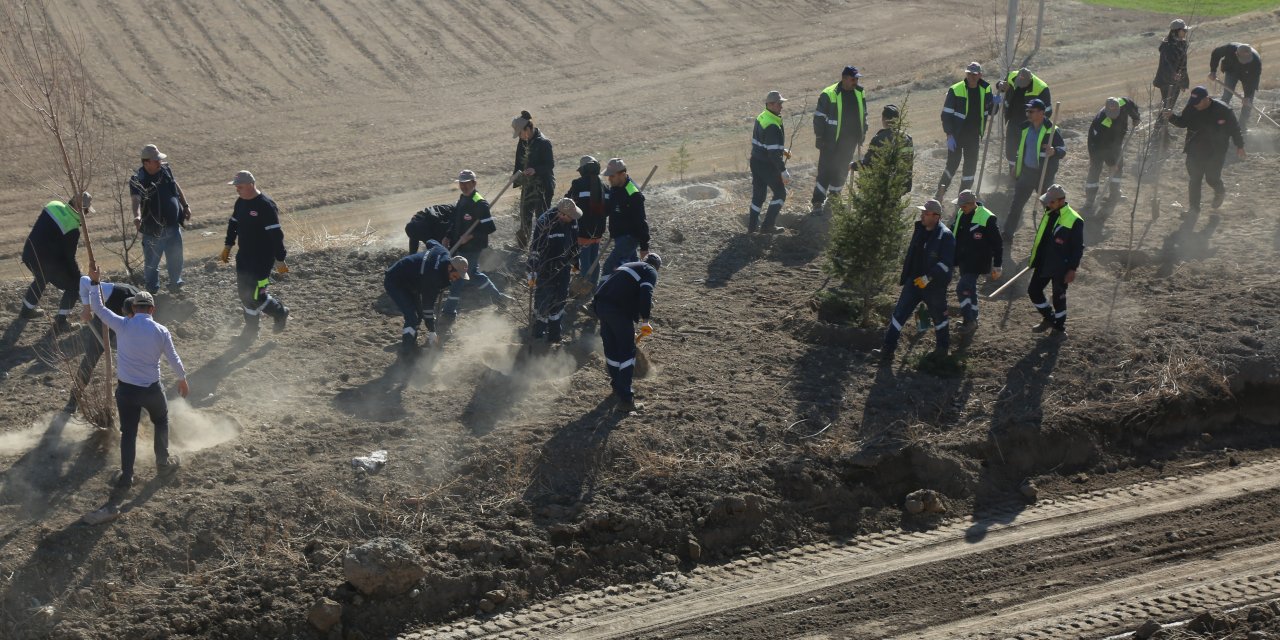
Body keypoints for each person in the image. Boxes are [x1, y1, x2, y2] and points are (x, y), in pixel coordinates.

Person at [86, 267, 189, 498]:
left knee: (128, 433)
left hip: (127, 392)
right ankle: (162, 464)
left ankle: (126, 477)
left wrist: (95, 283)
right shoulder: (161, 331)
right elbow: (173, 358)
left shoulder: (122, 325)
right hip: (152, 390)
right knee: (161, 421)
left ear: (134, 308)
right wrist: (182, 379)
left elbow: (99, 309)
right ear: (152, 309)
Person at [872, 199, 955, 364]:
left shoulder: (945, 236)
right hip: (914, 282)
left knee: (939, 318)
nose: (922, 215)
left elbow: (946, 264)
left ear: (936, 216)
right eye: (922, 212)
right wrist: (908, 276)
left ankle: (942, 352)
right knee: (899, 314)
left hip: (934, 287)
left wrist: (928, 277)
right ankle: (887, 350)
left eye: (925, 213)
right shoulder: (920, 229)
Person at [220, 170, 290, 341]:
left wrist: (280, 259)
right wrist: (228, 245)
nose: (237, 189)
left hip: (263, 261)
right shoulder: (241, 202)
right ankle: (251, 332)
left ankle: (280, 312)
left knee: (258, 294)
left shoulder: (265, 205)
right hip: (244, 257)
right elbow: (233, 224)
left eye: (240, 186)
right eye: (235, 187)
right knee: (244, 294)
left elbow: (276, 234)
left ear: (251, 185)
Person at [440, 169, 512, 330]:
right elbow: (455, 221)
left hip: (473, 247)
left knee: (458, 277)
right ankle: (500, 299)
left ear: (474, 183)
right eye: (461, 183)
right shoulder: (462, 199)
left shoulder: (480, 203)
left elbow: (490, 227)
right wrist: (447, 236)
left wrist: (470, 236)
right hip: (460, 245)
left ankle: (449, 312)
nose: (464, 186)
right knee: (474, 275)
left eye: (467, 183)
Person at [592, 253, 662, 413]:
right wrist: (645, 319)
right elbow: (645, 293)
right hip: (618, 310)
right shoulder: (650, 271)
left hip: (601, 306)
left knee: (612, 350)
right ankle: (626, 399)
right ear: (657, 267)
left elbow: (611, 286)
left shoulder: (629, 266)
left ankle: (617, 385)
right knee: (627, 352)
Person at [1162, 86, 1246, 215]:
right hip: (1194, 149)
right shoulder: (1192, 107)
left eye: (1198, 103)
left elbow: (1235, 129)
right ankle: (1194, 209)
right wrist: (1172, 117)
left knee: (1211, 178)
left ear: (1206, 99)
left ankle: (1219, 191)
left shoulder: (1223, 110)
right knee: (1195, 179)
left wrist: (1239, 146)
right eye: (1193, 103)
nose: (1195, 106)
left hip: (1216, 150)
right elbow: (1183, 122)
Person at [19, 193, 89, 333]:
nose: (86, 214)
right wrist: (78, 276)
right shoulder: (72, 228)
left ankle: (26, 311)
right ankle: (60, 323)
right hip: (47, 263)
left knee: (41, 278)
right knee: (74, 285)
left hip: (29, 254)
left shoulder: (53, 205)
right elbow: (69, 257)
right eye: (86, 210)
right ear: (79, 208)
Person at [383, 242, 468, 355]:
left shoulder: (443, 251)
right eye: (456, 276)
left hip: (412, 282)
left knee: (418, 316)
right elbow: (427, 307)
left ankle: (410, 339)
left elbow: (430, 242)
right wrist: (432, 331)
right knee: (412, 317)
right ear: (449, 267)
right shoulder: (434, 278)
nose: (456, 279)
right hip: (395, 281)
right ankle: (406, 352)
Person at [130, 144, 191, 295]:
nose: (159, 162)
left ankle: (176, 285)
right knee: (151, 263)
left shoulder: (165, 170)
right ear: (146, 163)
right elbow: (135, 199)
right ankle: (152, 292)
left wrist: (185, 205)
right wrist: (137, 216)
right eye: (155, 160)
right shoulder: (138, 179)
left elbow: (175, 187)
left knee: (176, 258)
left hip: (173, 226)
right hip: (153, 230)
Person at [1027, 185, 1084, 340]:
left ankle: (1059, 329)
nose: (1048, 204)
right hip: (1043, 261)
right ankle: (1049, 318)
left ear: (1062, 200)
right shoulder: (1049, 213)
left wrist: (1072, 269)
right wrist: (1034, 257)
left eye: (1051, 202)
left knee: (1058, 296)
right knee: (1033, 291)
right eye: (1047, 201)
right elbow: (1042, 238)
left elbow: (1078, 248)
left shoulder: (1075, 220)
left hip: (1062, 266)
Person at [1005, 99, 1066, 240]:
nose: (1028, 113)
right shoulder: (1026, 128)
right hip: (1026, 173)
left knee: (1051, 207)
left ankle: (1054, 235)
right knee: (1016, 205)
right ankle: (1008, 233)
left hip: (1044, 175)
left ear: (1041, 113)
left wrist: (1054, 151)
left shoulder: (1052, 130)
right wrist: (1016, 166)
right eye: (1027, 111)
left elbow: (1063, 150)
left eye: (1031, 111)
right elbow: (1022, 150)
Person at [811, 66, 867, 214]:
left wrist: (863, 133)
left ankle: (834, 198)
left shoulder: (860, 93)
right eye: (853, 79)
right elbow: (819, 117)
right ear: (844, 78)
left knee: (841, 170)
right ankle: (817, 201)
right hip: (830, 140)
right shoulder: (829, 94)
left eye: (857, 79)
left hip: (850, 141)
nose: (856, 82)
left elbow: (864, 115)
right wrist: (819, 136)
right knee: (825, 170)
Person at [936, 62, 994, 200]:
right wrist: (949, 135)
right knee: (952, 165)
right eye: (969, 74)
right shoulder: (956, 89)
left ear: (980, 75)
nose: (971, 77)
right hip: (957, 135)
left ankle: (963, 197)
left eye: (974, 74)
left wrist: (995, 102)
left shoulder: (986, 89)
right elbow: (946, 114)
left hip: (973, 136)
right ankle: (940, 192)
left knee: (970, 168)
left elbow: (991, 111)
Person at [527, 198, 581, 344]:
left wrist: (576, 262)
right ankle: (538, 335)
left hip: (563, 267)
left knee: (560, 301)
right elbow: (535, 248)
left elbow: (574, 243)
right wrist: (532, 270)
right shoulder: (544, 222)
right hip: (545, 268)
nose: (574, 219)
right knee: (543, 302)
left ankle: (554, 336)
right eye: (571, 216)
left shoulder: (573, 220)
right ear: (561, 214)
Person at [952, 190, 1002, 336]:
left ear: (972, 203)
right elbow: (954, 231)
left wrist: (998, 265)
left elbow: (998, 244)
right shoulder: (962, 213)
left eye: (964, 206)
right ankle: (973, 319)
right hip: (963, 260)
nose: (961, 208)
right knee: (970, 290)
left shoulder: (987, 217)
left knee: (962, 288)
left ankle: (969, 320)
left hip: (978, 262)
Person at [76, 273, 139, 387]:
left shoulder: (144, 312)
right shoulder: (105, 292)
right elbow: (84, 280)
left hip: (127, 304)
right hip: (108, 307)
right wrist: (86, 308)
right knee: (93, 351)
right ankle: (77, 392)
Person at [1084, 97, 1142, 210]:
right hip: (1096, 145)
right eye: (1111, 113)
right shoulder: (1102, 121)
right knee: (1096, 168)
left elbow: (1132, 106)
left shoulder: (1123, 103)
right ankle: (1090, 199)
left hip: (1115, 142)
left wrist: (1136, 117)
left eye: (1116, 112)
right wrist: (1111, 163)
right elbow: (1103, 145)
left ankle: (1115, 192)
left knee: (1118, 165)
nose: (1114, 115)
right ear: (1106, 110)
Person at [512, 110, 555, 250]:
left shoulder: (544, 143)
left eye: (520, 132)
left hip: (543, 186)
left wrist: (535, 169)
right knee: (524, 215)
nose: (519, 136)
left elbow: (550, 165)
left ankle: (542, 247)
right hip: (528, 184)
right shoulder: (523, 141)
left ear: (528, 128)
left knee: (541, 217)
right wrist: (516, 177)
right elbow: (519, 162)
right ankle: (522, 246)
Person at [997, 68, 1052, 177]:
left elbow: (1048, 111)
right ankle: (1013, 175)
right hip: (1013, 119)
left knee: (1026, 150)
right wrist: (1000, 85)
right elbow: (1001, 86)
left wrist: (1036, 124)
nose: (1020, 86)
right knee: (1011, 149)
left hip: (1029, 124)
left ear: (1029, 81)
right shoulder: (1012, 76)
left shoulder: (1041, 87)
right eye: (1019, 83)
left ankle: (1025, 176)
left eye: (1023, 84)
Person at [749, 90, 790, 233]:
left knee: (759, 196)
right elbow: (772, 154)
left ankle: (752, 228)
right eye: (779, 104)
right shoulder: (772, 124)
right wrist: (783, 171)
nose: (781, 106)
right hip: (767, 164)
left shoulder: (762, 116)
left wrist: (781, 150)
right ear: (770, 104)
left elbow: (764, 143)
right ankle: (768, 226)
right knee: (780, 193)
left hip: (756, 160)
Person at [601, 158, 651, 273]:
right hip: (619, 237)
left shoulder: (633, 193)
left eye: (612, 176)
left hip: (629, 238)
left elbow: (641, 221)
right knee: (632, 269)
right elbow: (609, 209)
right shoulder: (614, 189)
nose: (609, 179)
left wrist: (644, 246)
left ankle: (602, 290)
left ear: (622, 175)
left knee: (609, 268)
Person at [852, 104, 915, 192]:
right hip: (901, 185)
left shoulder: (879, 138)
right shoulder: (907, 138)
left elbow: (869, 164)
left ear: (884, 119)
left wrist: (854, 165)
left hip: (882, 187)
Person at [567, 155, 607, 286]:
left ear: (583, 170)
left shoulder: (577, 184)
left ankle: (584, 285)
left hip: (583, 228)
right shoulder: (604, 186)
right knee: (594, 258)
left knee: (584, 258)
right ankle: (594, 285)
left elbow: (567, 201)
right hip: (599, 229)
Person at [1153, 19, 1191, 149]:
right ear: (1176, 31)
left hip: (1175, 81)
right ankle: (1158, 132)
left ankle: (1162, 131)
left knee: (1168, 106)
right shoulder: (1168, 46)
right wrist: (1174, 76)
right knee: (1168, 107)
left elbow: (1183, 65)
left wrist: (1184, 82)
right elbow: (1167, 64)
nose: (1185, 32)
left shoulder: (1182, 43)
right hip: (1166, 81)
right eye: (1184, 30)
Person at [1209, 42, 1262, 133]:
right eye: (1243, 59)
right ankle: (1220, 121)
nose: (1245, 61)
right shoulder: (1230, 48)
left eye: (1247, 59)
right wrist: (1213, 71)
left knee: (1248, 102)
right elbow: (1216, 53)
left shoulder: (1256, 62)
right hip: (1232, 70)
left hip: (1248, 75)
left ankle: (1242, 126)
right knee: (1227, 95)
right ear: (1236, 54)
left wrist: (1248, 96)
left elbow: (1253, 82)